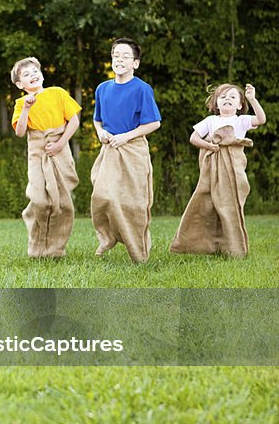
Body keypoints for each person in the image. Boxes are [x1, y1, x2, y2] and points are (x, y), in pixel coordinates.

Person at [170, 83, 266, 257]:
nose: (227, 99)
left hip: (234, 171)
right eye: (222, 97)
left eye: (232, 97)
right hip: (213, 170)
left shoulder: (241, 120)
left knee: (231, 205)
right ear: (215, 104)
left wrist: (253, 99)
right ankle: (201, 245)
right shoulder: (211, 121)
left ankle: (233, 248)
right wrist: (208, 145)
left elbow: (260, 119)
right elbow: (194, 138)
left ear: (239, 105)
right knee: (208, 203)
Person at [90, 38, 161, 263]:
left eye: (125, 56)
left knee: (134, 204)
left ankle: (139, 254)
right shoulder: (103, 88)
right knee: (103, 196)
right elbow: (97, 120)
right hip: (110, 150)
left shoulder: (142, 89)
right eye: (115, 55)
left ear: (135, 63)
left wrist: (126, 137)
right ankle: (108, 237)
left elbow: (154, 123)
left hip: (134, 150)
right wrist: (100, 132)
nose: (119, 59)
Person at [11, 57, 81, 258]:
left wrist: (60, 144)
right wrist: (26, 108)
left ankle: (55, 250)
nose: (32, 75)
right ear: (19, 84)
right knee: (40, 200)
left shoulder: (57, 93)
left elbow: (74, 121)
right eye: (26, 74)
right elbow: (20, 132)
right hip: (37, 153)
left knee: (61, 202)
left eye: (34, 71)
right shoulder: (21, 103)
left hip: (60, 149)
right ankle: (37, 248)